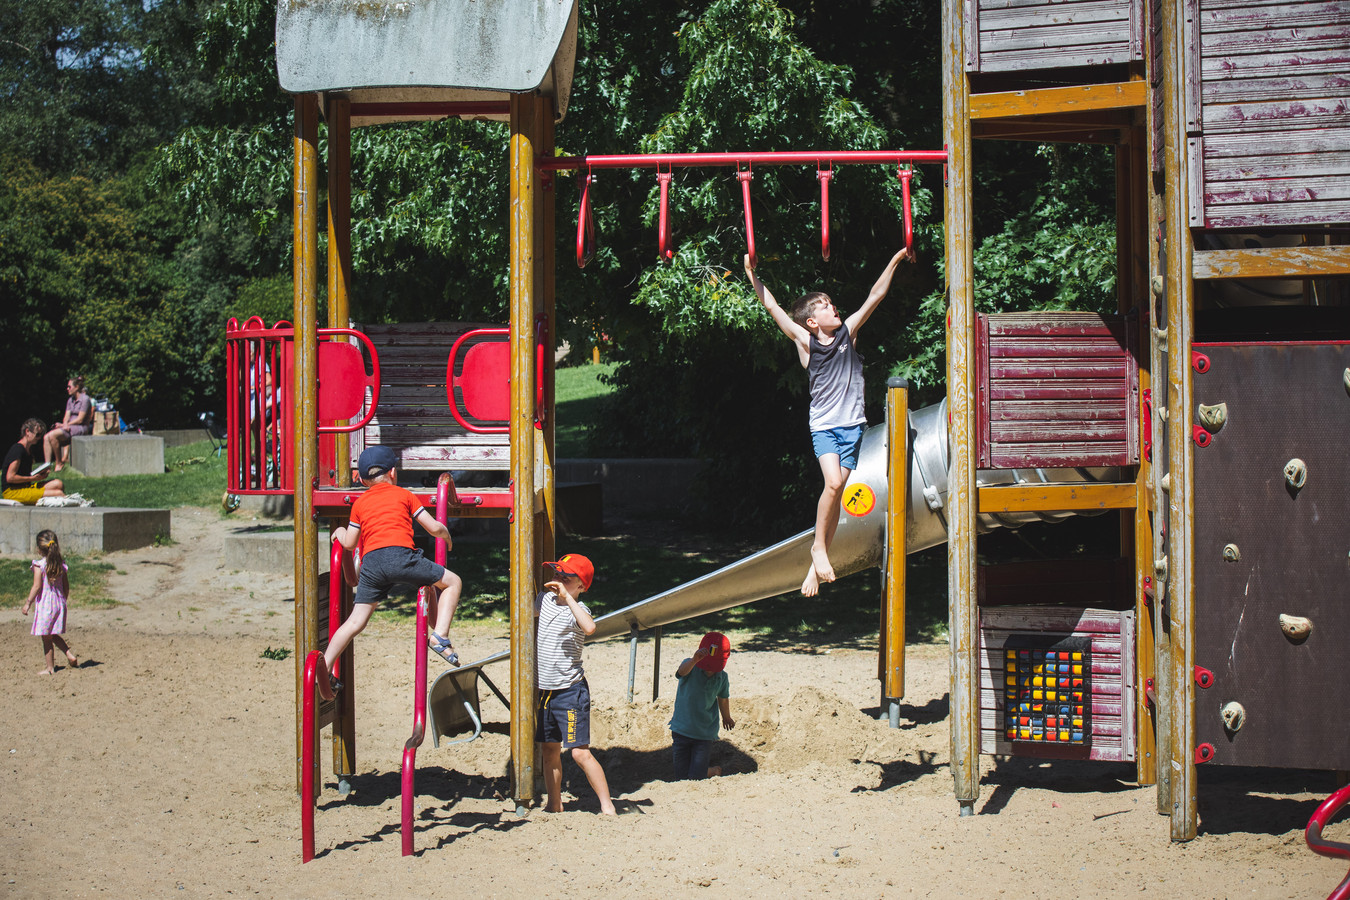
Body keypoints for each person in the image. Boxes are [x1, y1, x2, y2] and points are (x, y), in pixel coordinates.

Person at [744, 247, 910, 596]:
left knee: (835, 499)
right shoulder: (806, 343)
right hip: (824, 428)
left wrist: (894, 259)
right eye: (824, 306)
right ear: (812, 322)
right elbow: (772, 307)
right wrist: (751, 273)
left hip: (853, 429)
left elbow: (875, 296)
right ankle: (818, 548)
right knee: (833, 485)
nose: (833, 306)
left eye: (831, 302)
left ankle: (813, 569)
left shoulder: (848, 334)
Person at [323, 445, 464, 682]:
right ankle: (439, 635)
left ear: (363, 480)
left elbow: (349, 543)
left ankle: (325, 667)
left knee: (355, 621)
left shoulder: (359, 504)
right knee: (452, 582)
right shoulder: (404, 495)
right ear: (393, 472)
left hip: (372, 565)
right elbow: (432, 527)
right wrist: (446, 535)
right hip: (402, 558)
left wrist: (339, 530)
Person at [535, 553, 617, 815]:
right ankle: (554, 804)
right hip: (546, 691)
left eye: (566, 576)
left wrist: (568, 598)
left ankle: (607, 806)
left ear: (581, 586)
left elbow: (590, 627)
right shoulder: (545, 599)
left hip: (570, 690)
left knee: (579, 753)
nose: (558, 578)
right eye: (557, 573)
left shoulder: (578, 611)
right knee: (549, 750)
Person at [669, 632, 735, 780]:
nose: (710, 669)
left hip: (704, 733)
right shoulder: (690, 666)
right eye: (707, 664)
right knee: (680, 775)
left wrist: (726, 717)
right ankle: (706, 771)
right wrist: (694, 660)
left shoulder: (722, 677)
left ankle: (712, 771)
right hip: (681, 729)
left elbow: (723, 698)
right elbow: (680, 672)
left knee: (696, 776)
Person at [21, 530, 80, 675]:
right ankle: (69, 654)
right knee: (51, 634)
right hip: (59, 603)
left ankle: (50, 668)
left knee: (46, 637)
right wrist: (63, 600)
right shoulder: (60, 565)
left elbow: (36, 586)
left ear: (39, 549)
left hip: (46, 606)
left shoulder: (39, 565)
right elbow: (66, 587)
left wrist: (28, 602)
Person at [3, 419, 66, 505]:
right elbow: (10, 477)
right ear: (27, 431)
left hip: (25, 487)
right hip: (12, 492)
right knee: (58, 494)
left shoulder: (28, 451)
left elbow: (24, 473)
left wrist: (40, 474)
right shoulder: (18, 450)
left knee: (58, 484)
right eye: (38, 434)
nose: (39, 438)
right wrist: (33, 478)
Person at [44, 377, 93, 471]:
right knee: (46, 437)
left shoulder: (85, 399)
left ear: (77, 387)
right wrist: (64, 423)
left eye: (69, 387)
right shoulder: (70, 400)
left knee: (53, 435)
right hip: (70, 427)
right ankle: (47, 467)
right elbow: (66, 416)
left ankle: (59, 463)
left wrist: (63, 425)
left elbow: (80, 419)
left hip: (80, 427)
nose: (67, 389)